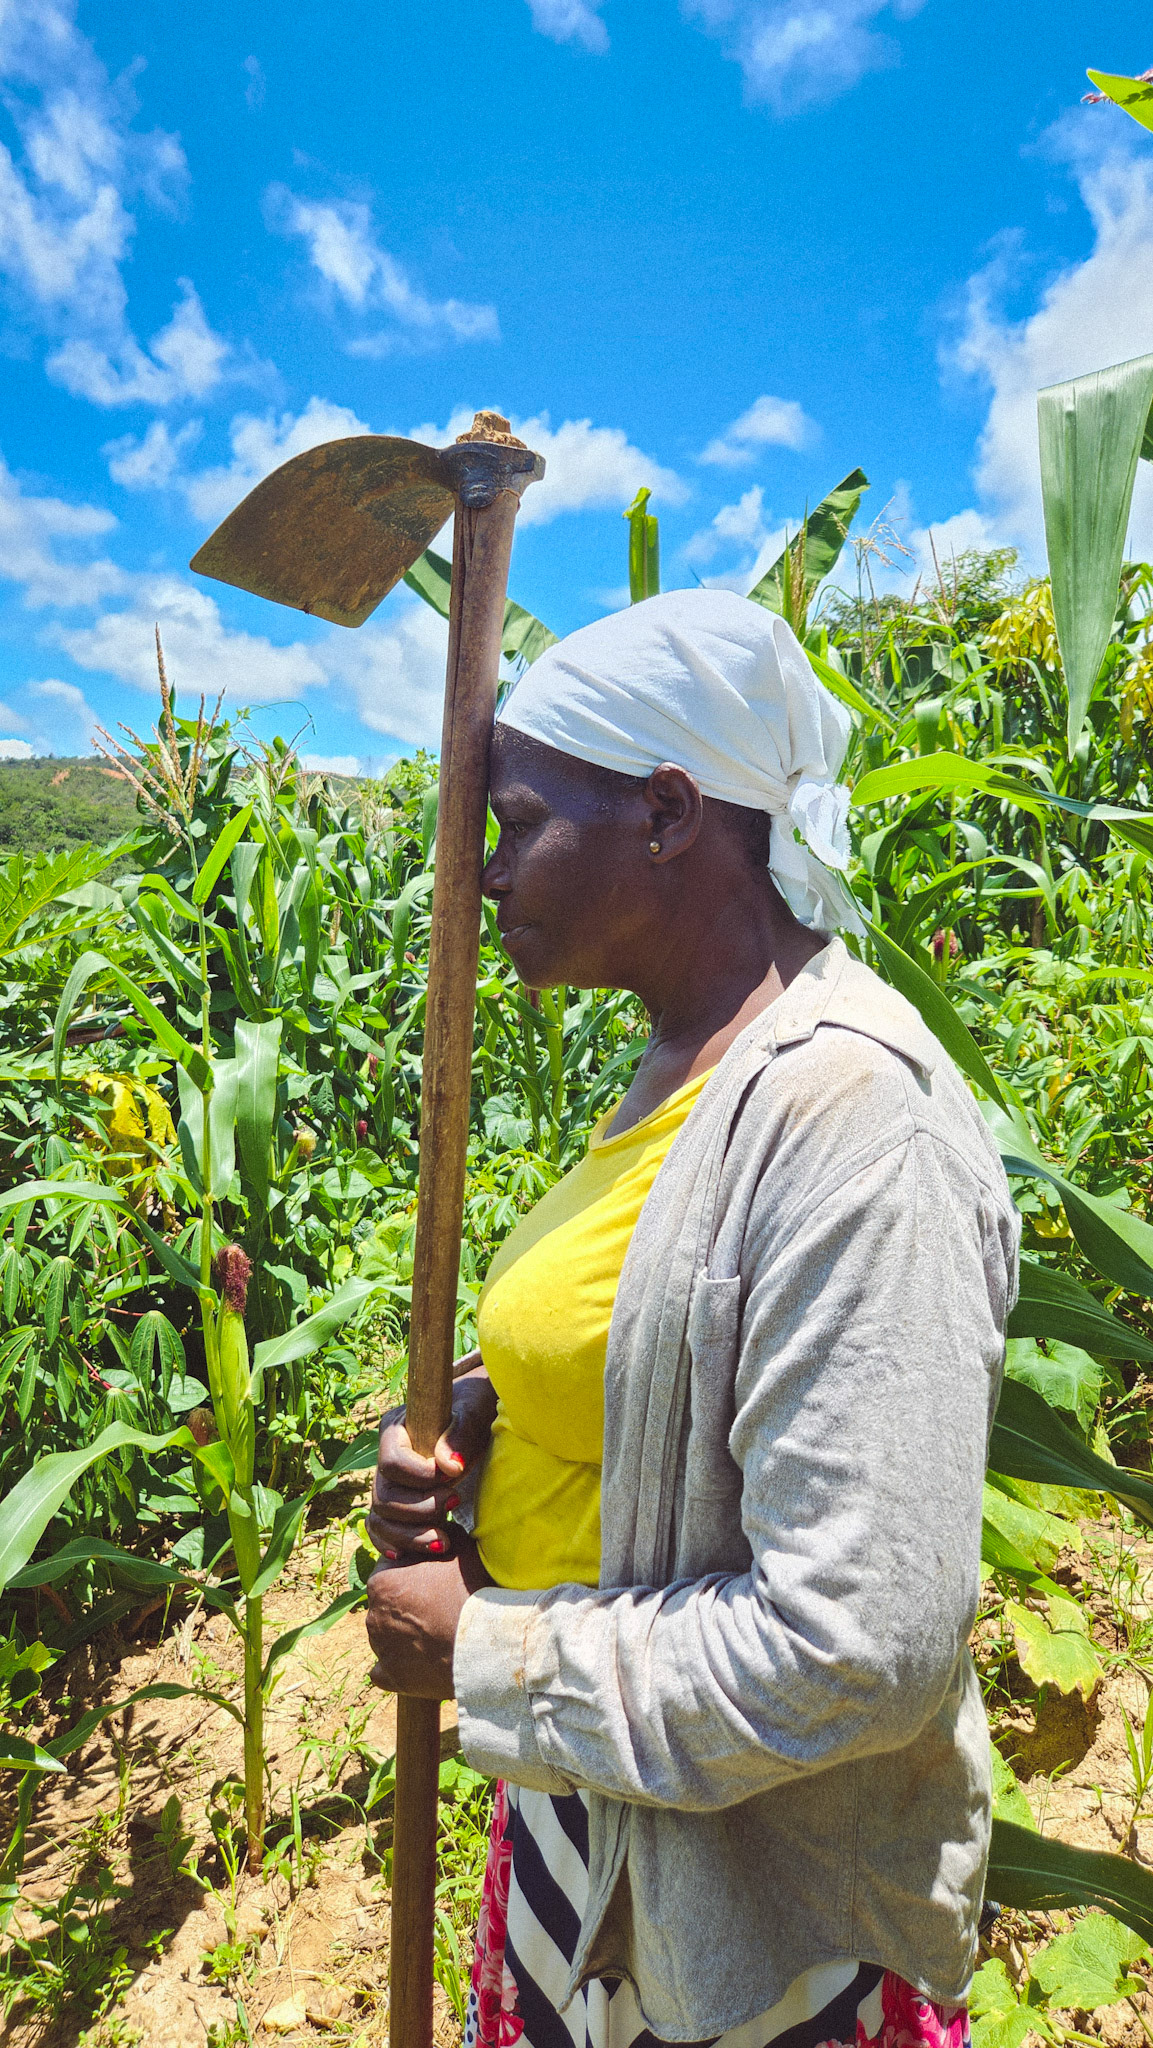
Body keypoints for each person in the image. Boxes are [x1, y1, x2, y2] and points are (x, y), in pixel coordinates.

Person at [365, 589, 1019, 2048]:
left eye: (516, 821)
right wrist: (487, 1418)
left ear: (668, 811)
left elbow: (855, 1652)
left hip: (749, 1921)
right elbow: (671, 1338)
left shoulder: (857, 1123)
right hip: (600, 1828)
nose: (483, 872)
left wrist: (485, 1655)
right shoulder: (689, 1059)